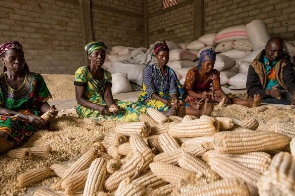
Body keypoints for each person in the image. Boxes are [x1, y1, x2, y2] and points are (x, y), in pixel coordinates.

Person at [0, 41, 58, 154]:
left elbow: (41, 103)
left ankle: (8, 144)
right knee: (7, 124)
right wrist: (24, 116)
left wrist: (50, 111)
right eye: (12, 58)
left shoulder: (35, 79)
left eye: (21, 58)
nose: (18, 61)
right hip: (6, 115)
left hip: (30, 116)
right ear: (3, 60)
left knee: (20, 125)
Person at [137, 41, 213, 117]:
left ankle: (200, 112)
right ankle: (170, 114)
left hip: (166, 96)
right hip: (152, 97)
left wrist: (175, 99)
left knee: (180, 103)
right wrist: (163, 100)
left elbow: (172, 89)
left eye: (167, 56)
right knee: (164, 106)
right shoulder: (149, 70)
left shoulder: (170, 72)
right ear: (156, 55)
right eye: (161, 56)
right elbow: (150, 91)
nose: (164, 58)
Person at [74, 41, 145, 122]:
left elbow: (107, 95)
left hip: (103, 103)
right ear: (89, 56)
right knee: (122, 116)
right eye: (96, 54)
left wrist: (112, 105)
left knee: (133, 106)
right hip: (88, 106)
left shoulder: (107, 74)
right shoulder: (82, 72)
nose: (100, 57)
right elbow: (79, 99)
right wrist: (98, 107)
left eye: (103, 54)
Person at [184, 48, 261, 108]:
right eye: (208, 64)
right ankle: (198, 109)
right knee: (190, 101)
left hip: (206, 93)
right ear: (202, 63)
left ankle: (250, 103)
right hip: (193, 94)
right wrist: (199, 96)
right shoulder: (193, 73)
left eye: (213, 64)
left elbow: (217, 89)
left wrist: (224, 96)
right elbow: (188, 91)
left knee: (226, 99)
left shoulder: (214, 73)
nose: (210, 67)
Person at [246, 37, 295, 105]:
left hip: (281, 92)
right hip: (264, 95)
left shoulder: (284, 61)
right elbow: (251, 90)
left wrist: (294, 92)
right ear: (266, 48)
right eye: (273, 51)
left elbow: (289, 79)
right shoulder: (255, 66)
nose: (276, 54)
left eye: (279, 51)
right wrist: (268, 92)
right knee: (284, 103)